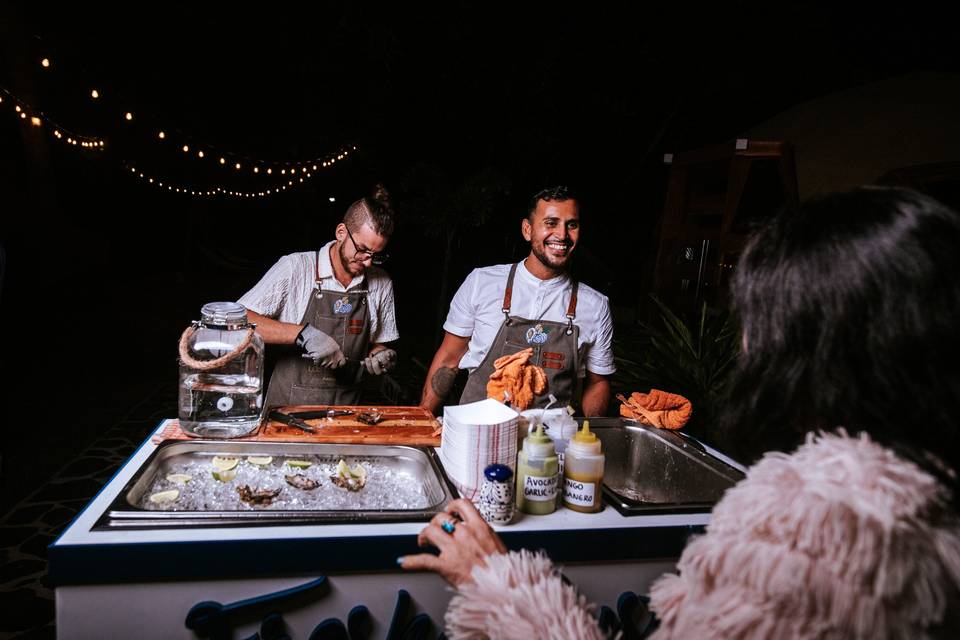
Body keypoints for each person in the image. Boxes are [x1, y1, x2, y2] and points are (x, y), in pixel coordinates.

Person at [401, 186, 960, 639]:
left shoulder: (800, 540)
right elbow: (449, 360)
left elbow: (599, 384)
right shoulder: (929, 511)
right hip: (469, 446)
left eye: (756, 320)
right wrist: (421, 424)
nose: (743, 341)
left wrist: (495, 580)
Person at [419, 186, 615, 416]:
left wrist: (590, 438)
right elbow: (448, 360)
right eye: (551, 223)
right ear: (527, 229)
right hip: (476, 433)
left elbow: (598, 382)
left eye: (571, 224)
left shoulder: (595, 305)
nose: (562, 235)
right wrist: (421, 419)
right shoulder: (481, 283)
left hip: (550, 445)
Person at [239, 184, 399, 407]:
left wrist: (381, 356)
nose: (368, 261)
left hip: (347, 412)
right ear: (341, 233)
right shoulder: (295, 268)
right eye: (362, 249)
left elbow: (377, 344)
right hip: (288, 411)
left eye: (376, 255)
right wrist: (304, 334)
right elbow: (239, 322)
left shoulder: (381, 282)